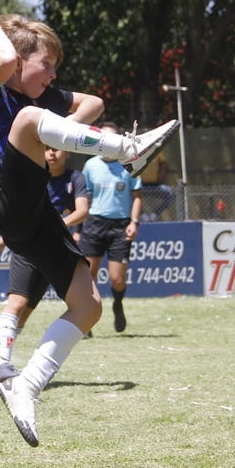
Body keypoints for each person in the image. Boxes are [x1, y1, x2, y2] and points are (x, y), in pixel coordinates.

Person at [0, 7, 177, 446]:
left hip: (36, 212)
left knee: (89, 306)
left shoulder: (40, 100)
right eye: (48, 65)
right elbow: (4, 63)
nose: (53, 75)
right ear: (22, 60)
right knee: (28, 122)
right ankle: (128, 150)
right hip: (1, 202)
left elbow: (93, 104)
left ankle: (25, 386)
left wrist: (57, 130)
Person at [0, 146, 89, 386]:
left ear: (66, 153)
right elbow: (23, 220)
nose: (52, 153)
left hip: (52, 250)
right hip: (26, 248)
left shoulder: (75, 178)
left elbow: (83, 211)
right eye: (47, 149)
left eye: (57, 149)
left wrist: (57, 226)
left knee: (24, 316)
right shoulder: (36, 176)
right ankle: (2, 367)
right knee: (17, 304)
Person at [80, 121, 143, 334]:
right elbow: (83, 201)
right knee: (88, 276)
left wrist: (134, 222)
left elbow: (136, 197)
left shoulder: (129, 164)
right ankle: (86, 318)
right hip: (94, 224)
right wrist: (78, 230)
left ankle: (117, 304)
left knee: (117, 278)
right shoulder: (90, 165)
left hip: (120, 226)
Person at [138, 149, 175, 222]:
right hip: (141, 186)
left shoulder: (157, 151)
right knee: (128, 196)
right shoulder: (137, 152)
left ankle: (154, 215)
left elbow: (163, 164)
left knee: (171, 194)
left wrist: (162, 174)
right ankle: (142, 215)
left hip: (156, 186)